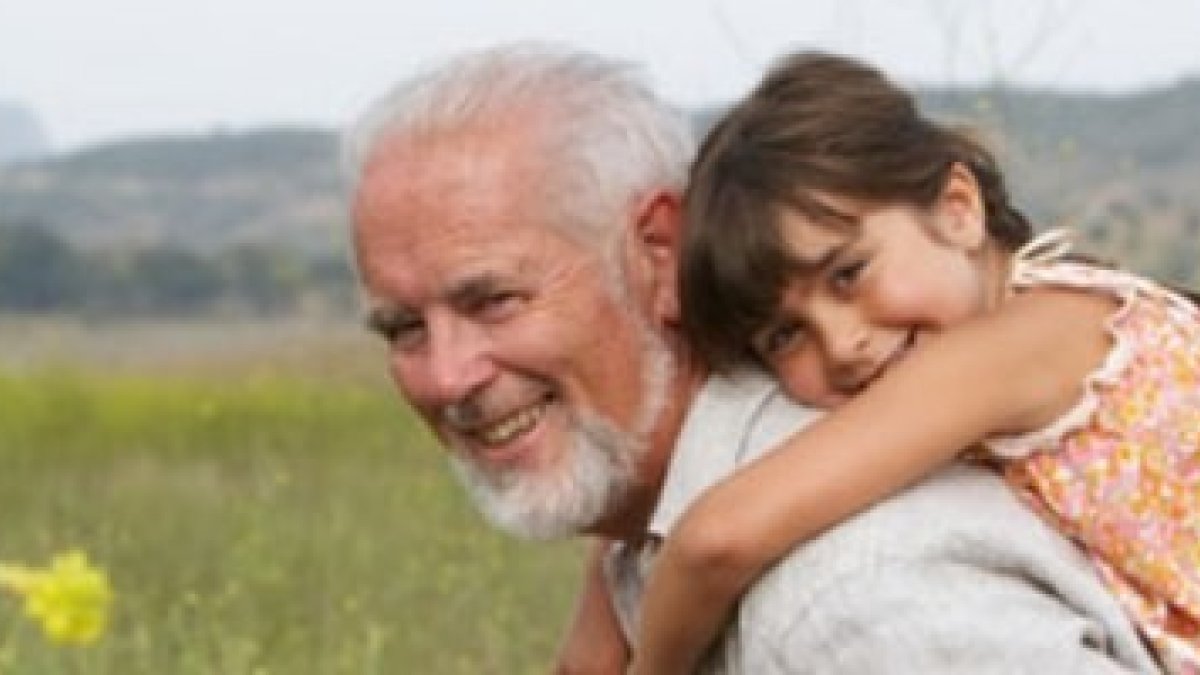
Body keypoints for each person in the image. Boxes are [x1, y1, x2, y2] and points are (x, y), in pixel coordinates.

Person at [344, 42, 1163, 673]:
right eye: (403, 329)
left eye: (494, 299)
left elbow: (720, 535)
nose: (448, 376)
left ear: (655, 253)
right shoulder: (741, 461)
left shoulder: (858, 590)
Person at [629, 50, 1200, 674]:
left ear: (958, 208)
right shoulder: (1045, 312)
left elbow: (718, 540)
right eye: (786, 335)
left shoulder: (1011, 349)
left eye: (848, 274)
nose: (842, 343)